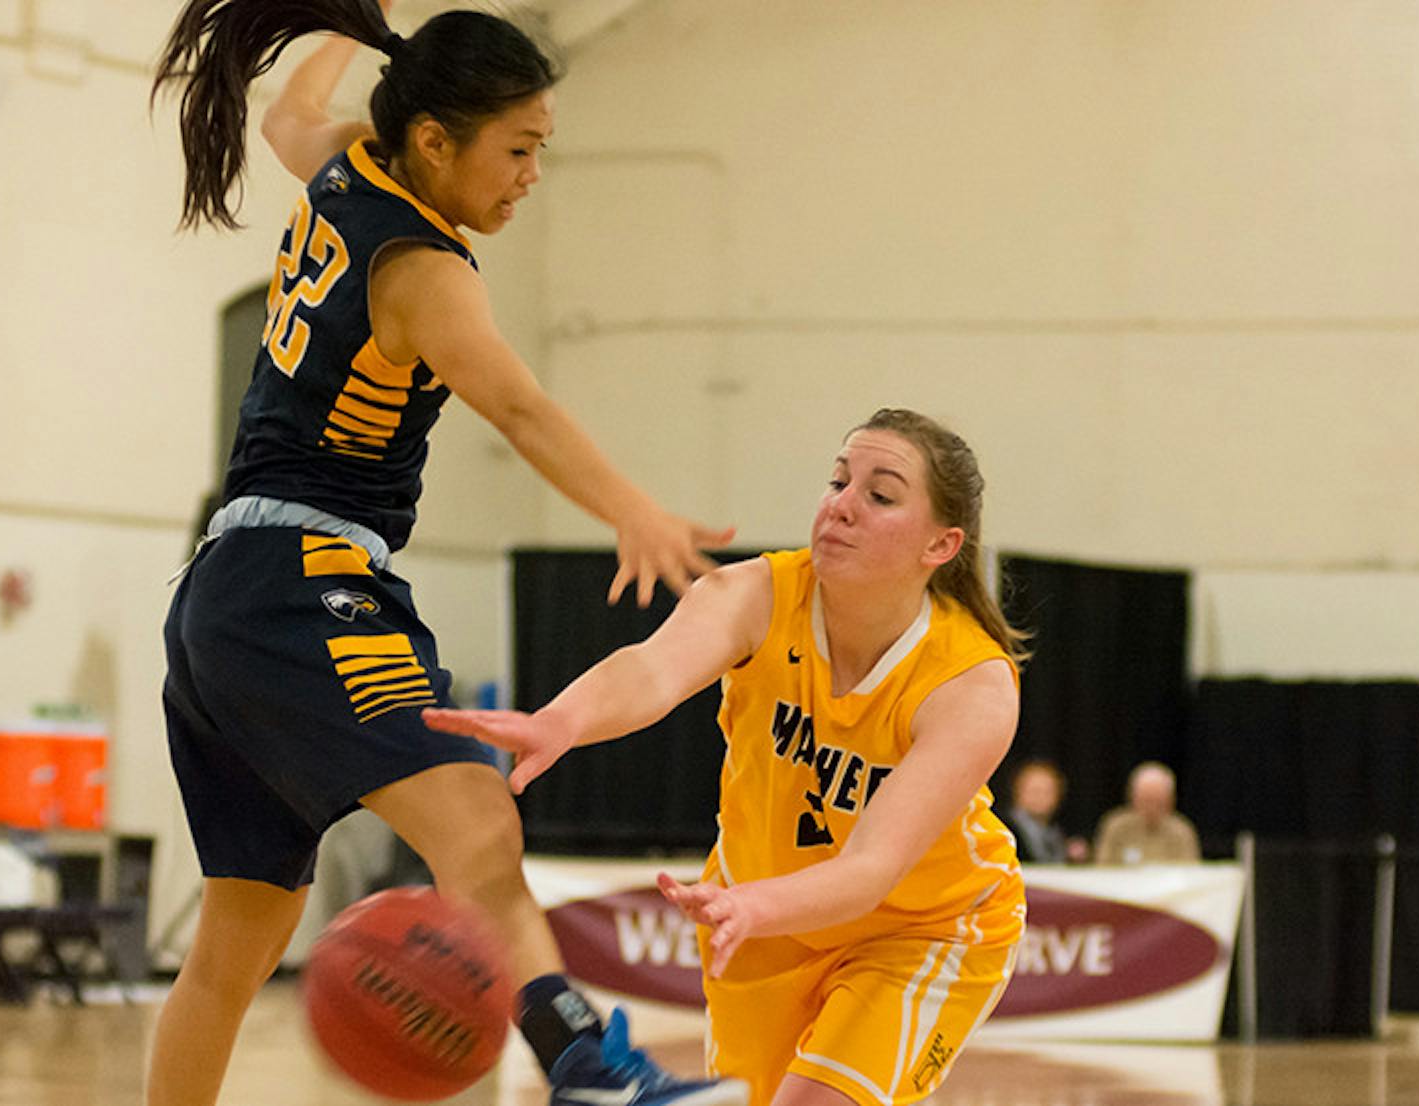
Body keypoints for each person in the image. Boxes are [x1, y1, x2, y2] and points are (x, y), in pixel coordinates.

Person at [147, 5, 742, 1105]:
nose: (528, 176)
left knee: (238, 936)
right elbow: (517, 408)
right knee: (477, 817)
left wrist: (352, 29)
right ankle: (588, 1065)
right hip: (303, 583)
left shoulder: (347, 168)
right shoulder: (422, 268)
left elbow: (288, 116)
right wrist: (633, 509)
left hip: (220, 597)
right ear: (435, 141)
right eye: (516, 149)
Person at [428, 409, 1030, 1106]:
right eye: (838, 481)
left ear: (941, 544)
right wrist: (559, 722)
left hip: (922, 927)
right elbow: (652, 672)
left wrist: (753, 904)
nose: (841, 506)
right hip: (768, 927)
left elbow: (872, 869)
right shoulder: (757, 594)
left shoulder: (971, 685)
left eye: (880, 494)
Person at [1093, 761, 1200, 866]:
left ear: (1170, 802)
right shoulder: (1116, 828)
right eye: (1145, 800)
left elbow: (1189, 873)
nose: (1151, 808)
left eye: (1158, 802)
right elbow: (1102, 869)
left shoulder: (1181, 832)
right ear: (1132, 799)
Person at [999, 758, 1089, 864]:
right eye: (1035, 791)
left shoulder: (1056, 834)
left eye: (1047, 791)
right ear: (1016, 791)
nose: (1040, 797)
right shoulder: (1003, 831)